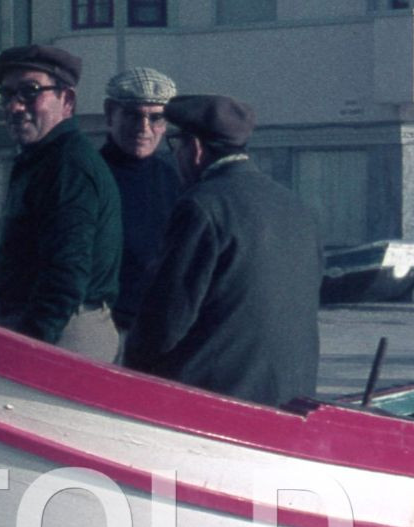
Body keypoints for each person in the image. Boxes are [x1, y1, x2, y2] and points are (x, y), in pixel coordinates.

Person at [123, 95, 322, 407]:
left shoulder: (203, 206)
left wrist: (130, 374)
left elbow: (164, 322)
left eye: (176, 147)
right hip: (289, 396)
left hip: (214, 400)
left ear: (196, 149)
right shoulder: (297, 207)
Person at [0, 44, 122, 362]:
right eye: (7, 95)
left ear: (67, 100)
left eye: (30, 92)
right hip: (45, 325)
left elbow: (66, 272)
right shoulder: (44, 159)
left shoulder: (67, 166)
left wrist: (28, 350)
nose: (16, 106)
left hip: (63, 333)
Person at [98, 67, 182, 351]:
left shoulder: (174, 177)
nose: (143, 129)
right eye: (133, 115)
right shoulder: (91, 175)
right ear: (110, 114)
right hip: (107, 324)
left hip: (158, 327)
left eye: (155, 117)